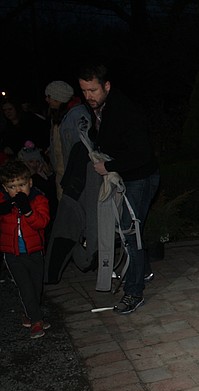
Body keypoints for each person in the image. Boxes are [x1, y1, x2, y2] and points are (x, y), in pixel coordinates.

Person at [78, 62, 160, 314]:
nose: (88, 96)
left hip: (140, 178)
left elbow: (143, 154)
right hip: (128, 177)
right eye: (84, 91)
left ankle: (134, 293)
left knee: (129, 234)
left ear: (107, 86)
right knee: (132, 231)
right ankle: (143, 271)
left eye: (92, 90)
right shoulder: (100, 107)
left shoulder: (125, 110)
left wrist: (109, 165)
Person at [0, 160, 51, 338]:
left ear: (30, 183)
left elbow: (42, 222)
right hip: (13, 254)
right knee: (25, 287)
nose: (18, 190)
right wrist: (5, 209)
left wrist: (28, 210)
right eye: (12, 186)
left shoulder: (38, 199)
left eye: (21, 185)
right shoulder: (5, 202)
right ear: (5, 188)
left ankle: (30, 313)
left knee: (36, 287)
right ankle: (37, 322)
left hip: (34, 252)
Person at [44, 80, 92, 201]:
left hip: (73, 177)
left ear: (58, 98)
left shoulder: (78, 115)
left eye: (49, 97)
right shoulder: (58, 116)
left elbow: (83, 148)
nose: (47, 100)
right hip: (61, 174)